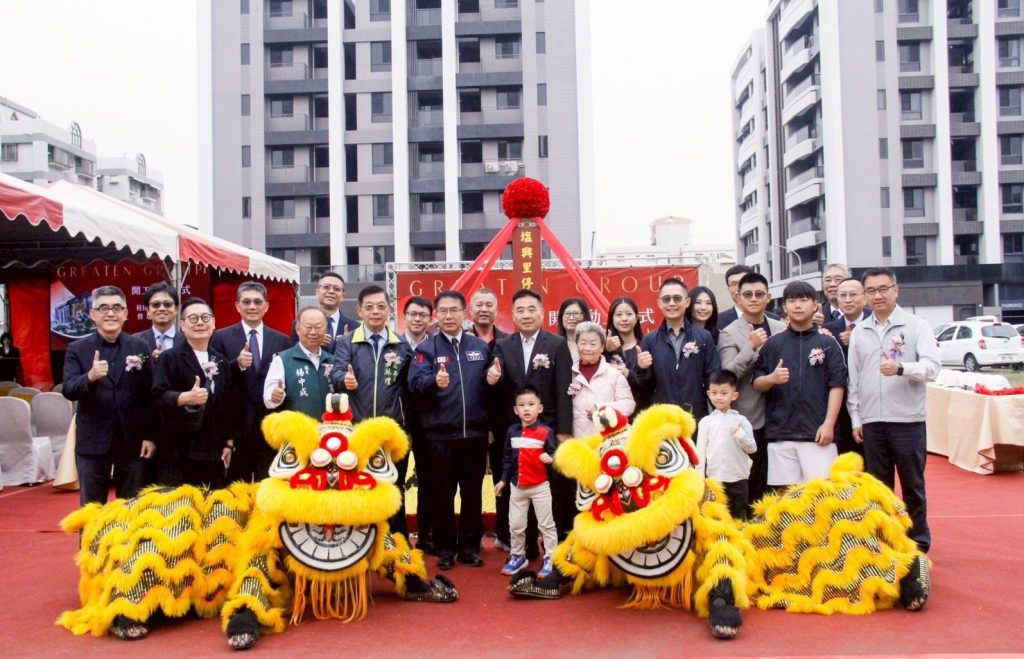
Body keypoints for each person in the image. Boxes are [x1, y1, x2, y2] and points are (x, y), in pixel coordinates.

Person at [847, 268, 940, 553]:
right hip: (873, 422)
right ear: (865, 295)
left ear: (895, 290)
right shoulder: (860, 331)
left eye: (883, 289)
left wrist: (902, 368)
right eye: (871, 290)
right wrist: (856, 418)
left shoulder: (915, 326)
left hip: (908, 420)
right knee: (879, 486)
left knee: (912, 484)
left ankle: (918, 542)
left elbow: (933, 368)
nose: (877, 295)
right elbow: (854, 378)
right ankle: (884, 540)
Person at [408, 290, 492, 570]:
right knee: (442, 493)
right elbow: (415, 384)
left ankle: (469, 546)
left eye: (454, 310)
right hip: (440, 436)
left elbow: (489, 388)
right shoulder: (427, 350)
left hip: (475, 435)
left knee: (472, 493)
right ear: (436, 315)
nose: (448, 316)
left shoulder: (479, 347)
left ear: (464, 312)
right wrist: (435, 381)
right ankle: (445, 548)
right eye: (442, 311)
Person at [489, 289, 573, 543]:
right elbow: (498, 381)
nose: (526, 315)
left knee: (549, 487)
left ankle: (553, 540)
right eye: (520, 310)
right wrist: (492, 377)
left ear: (542, 313)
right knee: (516, 485)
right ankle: (518, 543)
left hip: (546, 428)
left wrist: (563, 430)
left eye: (531, 309)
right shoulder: (503, 345)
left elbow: (563, 388)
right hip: (513, 429)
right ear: (513, 314)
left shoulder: (556, 344)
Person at [332, 285, 413, 535]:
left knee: (393, 487)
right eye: (369, 307)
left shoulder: (401, 344)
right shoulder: (347, 342)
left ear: (389, 310)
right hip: (358, 430)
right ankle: (363, 542)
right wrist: (344, 381)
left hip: (392, 430)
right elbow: (336, 373)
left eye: (381, 307)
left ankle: (397, 543)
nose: (375, 312)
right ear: (359, 310)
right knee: (360, 487)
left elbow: (410, 387)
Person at [62, 286, 155, 504]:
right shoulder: (77, 348)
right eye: (103, 308)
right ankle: (92, 541)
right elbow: (69, 389)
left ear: (126, 313)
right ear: (93, 314)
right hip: (93, 442)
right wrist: (90, 377)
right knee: (92, 509)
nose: (110, 313)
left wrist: (149, 436)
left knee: (131, 508)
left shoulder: (140, 346)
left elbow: (150, 396)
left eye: (116, 308)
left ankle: (126, 541)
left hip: (131, 442)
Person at [752, 281, 847, 489]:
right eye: (791, 301)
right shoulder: (773, 343)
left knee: (822, 496)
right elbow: (757, 382)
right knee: (785, 499)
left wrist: (829, 423)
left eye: (803, 300)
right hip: (781, 433)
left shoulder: (828, 343)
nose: (797, 305)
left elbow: (837, 385)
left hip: (818, 434)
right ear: (784, 306)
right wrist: (772, 379)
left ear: (815, 305)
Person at [717, 272, 787, 507]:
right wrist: (750, 346)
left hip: (783, 413)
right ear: (738, 299)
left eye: (759, 294)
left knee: (781, 481)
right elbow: (728, 373)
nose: (754, 299)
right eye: (747, 294)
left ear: (768, 297)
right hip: (750, 416)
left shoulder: (780, 328)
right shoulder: (729, 332)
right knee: (754, 477)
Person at [152, 297, 237, 488]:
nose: (200, 323)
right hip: (180, 450)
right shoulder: (170, 358)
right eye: (193, 318)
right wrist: (184, 398)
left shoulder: (221, 360)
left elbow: (229, 405)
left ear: (214, 323)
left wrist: (229, 443)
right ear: (182, 325)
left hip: (214, 451)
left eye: (205, 318)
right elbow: (157, 395)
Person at [210, 281, 291, 481]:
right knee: (237, 489)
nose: (252, 307)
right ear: (237, 306)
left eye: (257, 302)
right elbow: (214, 376)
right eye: (246, 302)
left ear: (266, 306)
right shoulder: (220, 337)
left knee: (269, 484)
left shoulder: (281, 340)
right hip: (236, 427)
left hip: (269, 425)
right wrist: (236, 364)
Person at [494, 386, 559, 579]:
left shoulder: (546, 431)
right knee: (516, 524)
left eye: (531, 404)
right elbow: (506, 458)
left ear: (540, 408)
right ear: (516, 410)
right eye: (522, 405)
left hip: (540, 486)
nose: (527, 409)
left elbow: (555, 452)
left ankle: (551, 557)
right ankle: (517, 555)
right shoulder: (512, 432)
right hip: (517, 486)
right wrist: (503, 480)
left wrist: (551, 457)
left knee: (546, 524)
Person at [636, 277, 720, 422]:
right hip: (662, 419)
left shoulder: (704, 337)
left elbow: (713, 377)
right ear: (659, 303)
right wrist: (642, 369)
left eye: (677, 298)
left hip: (696, 417)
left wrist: (719, 413)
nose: (672, 303)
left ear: (687, 302)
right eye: (666, 299)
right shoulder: (649, 340)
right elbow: (645, 387)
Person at [467, 287, 512, 549]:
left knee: (502, 478)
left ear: (496, 311)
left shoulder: (506, 342)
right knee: (469, 481)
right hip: (468, 424)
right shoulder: (459, 340)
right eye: (479, 305)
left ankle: (505, 534)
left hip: (501, 425)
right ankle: (471, 537)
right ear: (470, 310)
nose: (484, 309)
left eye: (489, 305)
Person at [695, 370, 756, 520]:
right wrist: (699, 479)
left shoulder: (741, 421)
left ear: (734, 395)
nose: (718, 397)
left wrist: (740, 435)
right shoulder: (706, 422)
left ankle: (739, 542)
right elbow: (700, 454)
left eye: (724, 393)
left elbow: (752, 448)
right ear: (709, 394)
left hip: (738, 478)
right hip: (714, 479)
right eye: (714, 393)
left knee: (739, 515)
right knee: (715, 516)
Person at [401, 295, 435, 552]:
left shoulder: (435, 347)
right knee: (395, 480)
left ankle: (426, 535)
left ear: (430, 319)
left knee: (428, 480)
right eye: (413, 314)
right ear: (405, 316)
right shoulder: (393, 345)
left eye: (423, 315)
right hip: (397, 422)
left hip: (428, 423)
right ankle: (398, 536)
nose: (417, 319)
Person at [823, 277, 870, 456]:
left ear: (864, 297)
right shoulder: (828, 330)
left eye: (853, 295)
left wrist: (857, 342)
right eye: (843, 295)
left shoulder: (874, 325)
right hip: (839, 405)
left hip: (868, 402)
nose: (848, 300)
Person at [263, 307, 334, 418]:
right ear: (298, 329)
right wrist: (274, 396)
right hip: (297, 431)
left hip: (328, 431)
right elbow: (269, 397)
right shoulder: (282, 359)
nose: (313, 332)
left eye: (318, 327)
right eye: (308, 327)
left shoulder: (333, 360)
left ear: (325, 329)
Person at [568, 322, 635, 437]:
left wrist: (601, 408)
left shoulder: (614, 374)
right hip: (577, 443)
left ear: (602, 347)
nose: (587, 348)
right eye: (582, 343)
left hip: (608, 441)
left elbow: (629, 405)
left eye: (593, 344)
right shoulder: (568, 373)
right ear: (576, 345)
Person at [603, 296, 650, 415]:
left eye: (629, 314)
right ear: (612, 319)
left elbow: (651, 385)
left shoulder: (646, 346)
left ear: (637, 318)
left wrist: (628, 373)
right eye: (619, 315)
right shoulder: (603, 348)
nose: (624, 319)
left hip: (642, 415)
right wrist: (607, 351)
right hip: (611, 416)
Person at [293, 271, 358, 353]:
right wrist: (312, 342)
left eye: (337, 289)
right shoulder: (300, 323)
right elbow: (293, 352)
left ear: (343, 296)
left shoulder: (355, 327)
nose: (331, 291)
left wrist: (350, 346)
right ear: (317, 292)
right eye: (326, 287)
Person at [134, 282, 184, 360]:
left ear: (176, 309)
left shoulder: (188, 341)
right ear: (148, 310)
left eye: (167, 304)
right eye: (156, 305)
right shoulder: (135, 341)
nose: (161, 308)